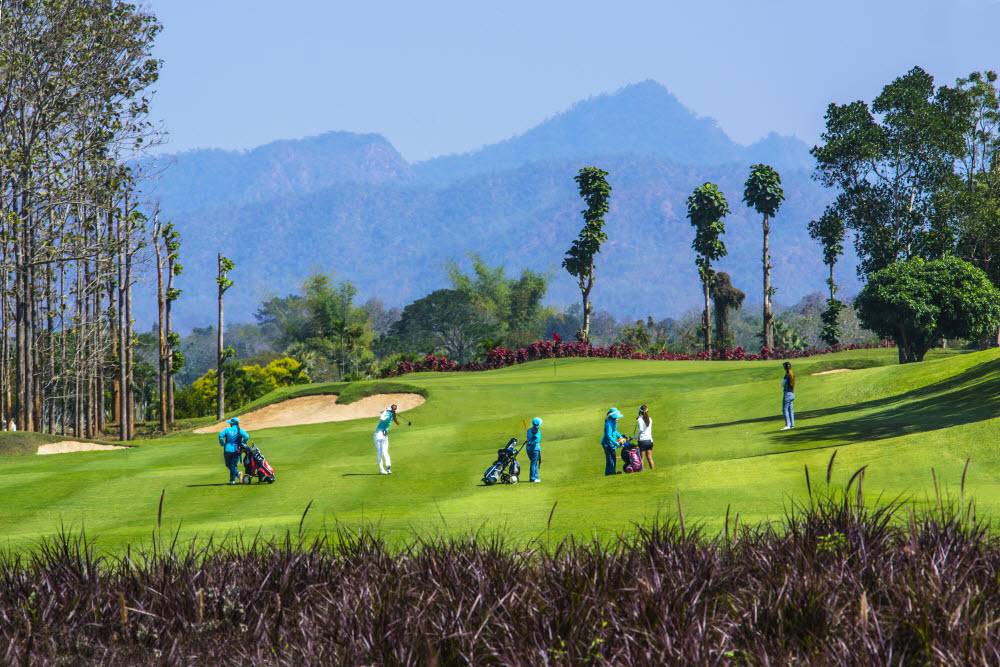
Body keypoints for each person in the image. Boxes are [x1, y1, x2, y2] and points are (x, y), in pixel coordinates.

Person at [218, 417, 249, 484]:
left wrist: (222, 443)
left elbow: (220, 435)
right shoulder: (239, 430)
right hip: (236, 449)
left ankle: (232, 480)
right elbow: (246, 437)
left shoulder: (227, 429)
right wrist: (242, 443)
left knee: (229, 464)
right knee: (232, 465)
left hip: (227, 449)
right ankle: (237, 474)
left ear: (232, 424)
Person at [374, 404, 399, 474]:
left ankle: (381, 470)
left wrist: (386, 411)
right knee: (385, 452)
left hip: (378, 435)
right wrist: (386, 410)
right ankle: (389, 468)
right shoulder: (392, 416)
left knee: (379, 453)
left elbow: (381, 418)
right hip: (384, 436)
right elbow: (381, 411)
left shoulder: (387, 416)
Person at [602, 408, 625, 475]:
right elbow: (609, 435)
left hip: (611, 443)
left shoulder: (614, 422)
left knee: (613, 458)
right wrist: (616, 443)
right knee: (610, 459)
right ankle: (610, 473)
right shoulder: (608, 423)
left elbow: (615, 432)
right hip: (607, 443)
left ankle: (611, 472)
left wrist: (620, 437)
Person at [636, 405, 654, 470]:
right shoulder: (650, 419)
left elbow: (641, 429)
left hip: (642, 440)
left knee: (641, 459)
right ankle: (652, 470)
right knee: (649, 458)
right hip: (649, 440)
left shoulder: (640, 419)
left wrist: (636, 436)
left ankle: (642, 471)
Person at [525, 417, 542, 482]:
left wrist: (529, 442)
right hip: (535, 449)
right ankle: (532, 478)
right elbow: (538, 440)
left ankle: (536, 477)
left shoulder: (529, 430)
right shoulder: (537, 431)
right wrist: (531, 442)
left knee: (534, 463)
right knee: (533, 463)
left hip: (528, 449)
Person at [781, 361, 795, 430]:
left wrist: (785, 384)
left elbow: (782, 385)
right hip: (792, 394)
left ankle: (787, 425)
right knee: (790, 409)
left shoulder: (787, 375)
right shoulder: (792, 374)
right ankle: (792, 424)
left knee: (785, 409)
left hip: (787, 394)